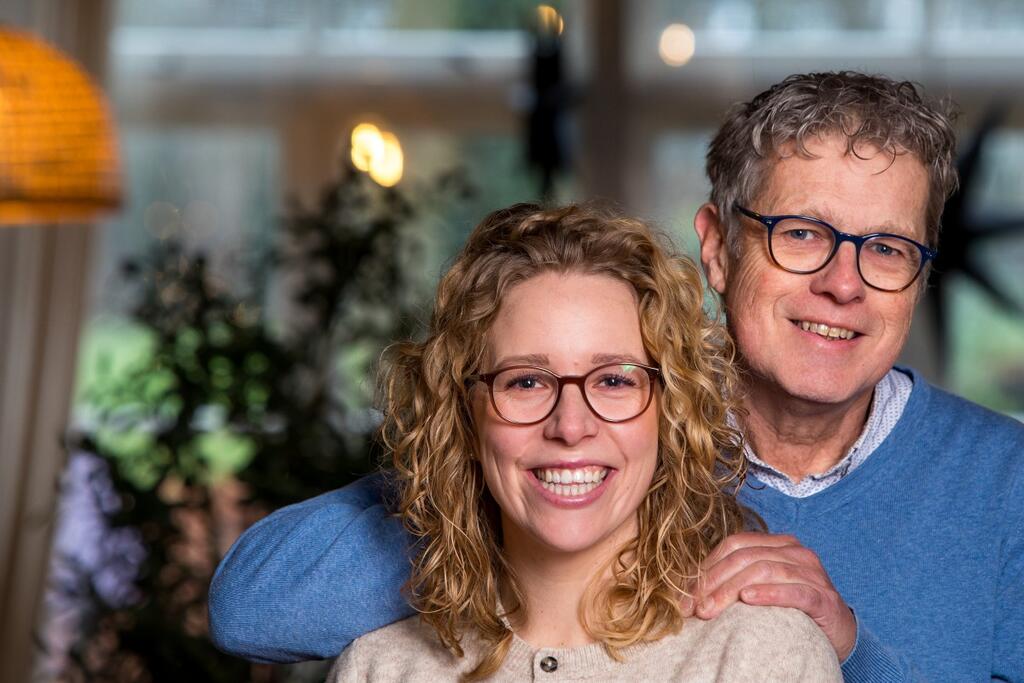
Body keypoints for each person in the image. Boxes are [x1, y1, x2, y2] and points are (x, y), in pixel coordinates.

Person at [208, 72, 1024, 681]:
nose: (843, 284)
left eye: (885, 248)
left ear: (918, 274)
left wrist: (851, 647)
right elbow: (254, 608)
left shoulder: (1009, 484)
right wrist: (517, 497)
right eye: (802, 234)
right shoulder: (605, 429)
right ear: (716, 247)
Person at [324, 203, 840, 681]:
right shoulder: (381, 668)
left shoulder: (765, 656)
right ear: (464, 413)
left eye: (615, 380)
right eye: (525, 382)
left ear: (671, 411)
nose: (571, 427)